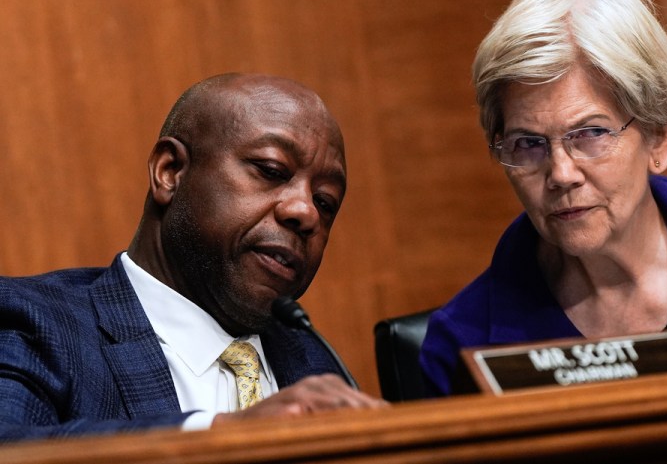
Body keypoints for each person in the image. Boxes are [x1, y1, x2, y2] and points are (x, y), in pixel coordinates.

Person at [420, 0, 667, 396]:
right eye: (528, 144)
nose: (562, 174)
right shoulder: (463, 343)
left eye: (590, 134)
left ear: (659, 135)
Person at [0, 73, 385, 441]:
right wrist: (227, 437)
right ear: (170, 172)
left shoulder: (312, 359)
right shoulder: (34, 324)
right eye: (270, 170)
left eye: (325, 202)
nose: (305, 212)